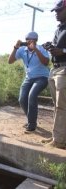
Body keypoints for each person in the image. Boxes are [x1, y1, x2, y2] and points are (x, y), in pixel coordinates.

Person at [8, 31, 50, 133]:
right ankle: (32, 120)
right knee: (22, 99)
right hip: (29, 78)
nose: (30, 42)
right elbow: (10, 61)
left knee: (32, 95)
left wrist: (35, 49)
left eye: (32, 40)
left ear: (36, 41)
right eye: (27, 40)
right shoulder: (22, 50)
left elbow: (46, 62)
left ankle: (31, 124)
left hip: (42, 77)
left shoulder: (41, 48)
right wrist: (15, 48)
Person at [41, 0, 66, 149]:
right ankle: (57, 136)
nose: (56, 13)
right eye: (55, 11)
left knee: (62, 106)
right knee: (57, 106)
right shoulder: (59, 29)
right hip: (55, 68)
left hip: (64, 69)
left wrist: (62, 51)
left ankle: (59, 141)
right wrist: (51, 47)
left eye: (59, 11)